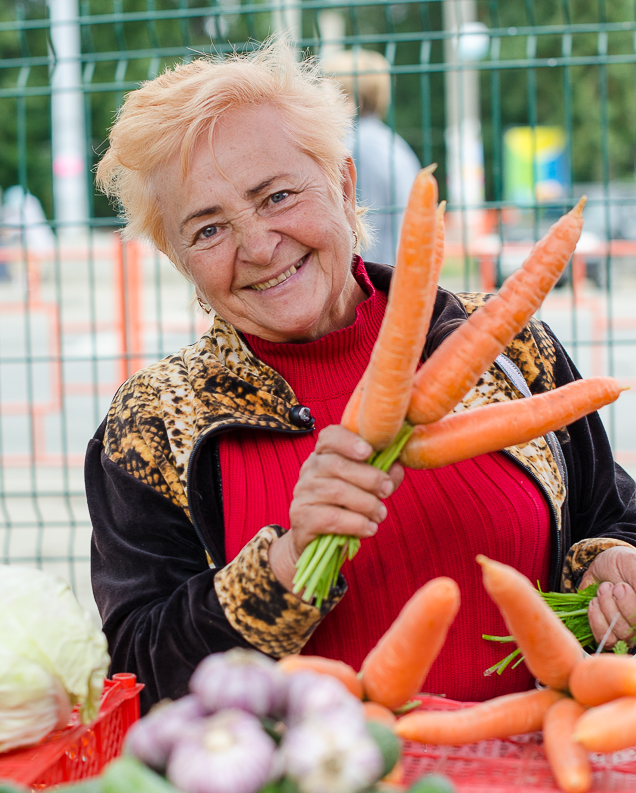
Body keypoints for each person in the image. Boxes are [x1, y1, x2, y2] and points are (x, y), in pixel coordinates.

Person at [88, 42, 636, 714]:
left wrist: (608, 570)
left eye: (278, 196)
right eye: (208, 230)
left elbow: (612, 516)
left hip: (537, 783)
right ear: (178, 258)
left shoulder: (507, 347)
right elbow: (140, 669)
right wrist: (288, 562)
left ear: (344, 185)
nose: (258, 246)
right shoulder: (154, 422)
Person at [322, 49, 421, 264]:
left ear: (348, 99)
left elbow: (362, 230)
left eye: (325, 89)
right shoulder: (390, 142)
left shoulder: (358, 149)